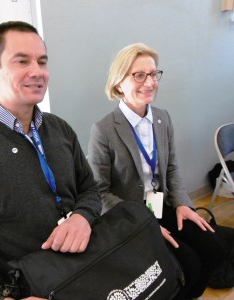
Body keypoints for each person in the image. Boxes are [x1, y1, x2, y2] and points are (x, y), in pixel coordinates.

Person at [0, 21, 101, 300]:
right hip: (26, 286)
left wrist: (83, 217)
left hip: (84, 265)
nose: (37, 71)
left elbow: (89, 189)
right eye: (22, 61)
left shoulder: (60, 129)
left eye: (42, 61)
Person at [87, 43, 225, 300]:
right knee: (188, 264)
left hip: (162, 204)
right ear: (119, 83)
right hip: (132, 215)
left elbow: (171, 168)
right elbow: (99, 192)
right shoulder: (103, 130)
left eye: (153, 74)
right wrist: (142, 222)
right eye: (139, 75)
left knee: (215, 251)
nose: (149, 82)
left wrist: (184, 203)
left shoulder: (162, 118)